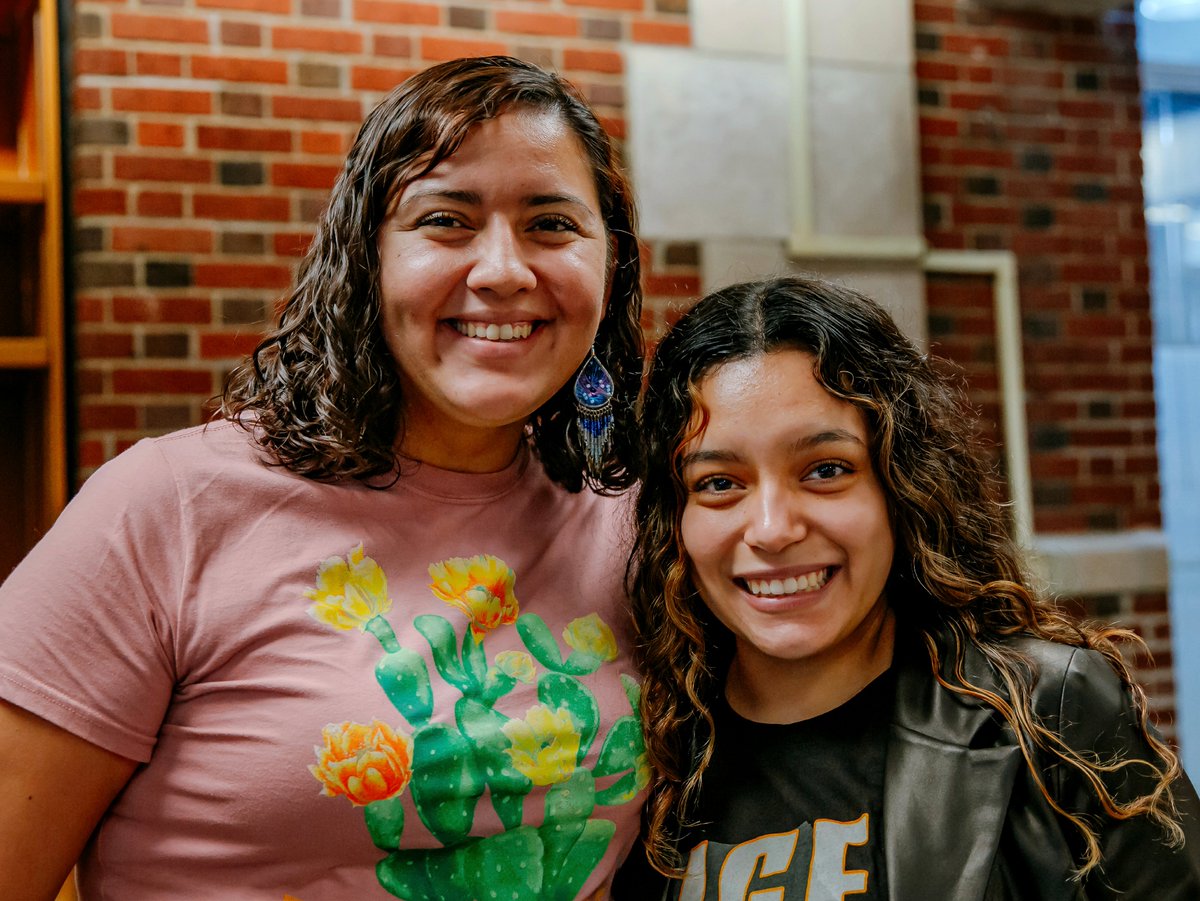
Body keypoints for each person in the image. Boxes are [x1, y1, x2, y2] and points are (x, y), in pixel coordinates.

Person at [0, 56, 650, 901]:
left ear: (610, 266)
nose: (502, 269)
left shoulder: (637, 523)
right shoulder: (167, 507)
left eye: (552, 225)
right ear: (365, 260)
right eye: (446, 219)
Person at [626, 275, 1200, 899]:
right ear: (672, 519)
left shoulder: (1050, 713)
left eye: (825, 470)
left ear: (901, 486)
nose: (772, 529)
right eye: (717, 482)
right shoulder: (639, 752)